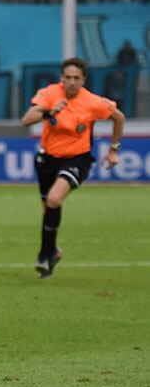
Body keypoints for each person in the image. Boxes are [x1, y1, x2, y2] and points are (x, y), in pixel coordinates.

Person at [21, 57, 125, 278]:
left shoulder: (93, 102)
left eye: (77, 78)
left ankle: (43, 255)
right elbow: (27, 120)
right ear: (61, 78)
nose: (72, 82)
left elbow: (119, 117)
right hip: (47, 159)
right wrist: (49, 113)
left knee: (54, 199)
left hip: (78, 159)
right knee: (47, 208)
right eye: (68, 77)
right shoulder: (50, 94)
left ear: (83, 80)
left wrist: (114, 150)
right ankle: (54, 253)